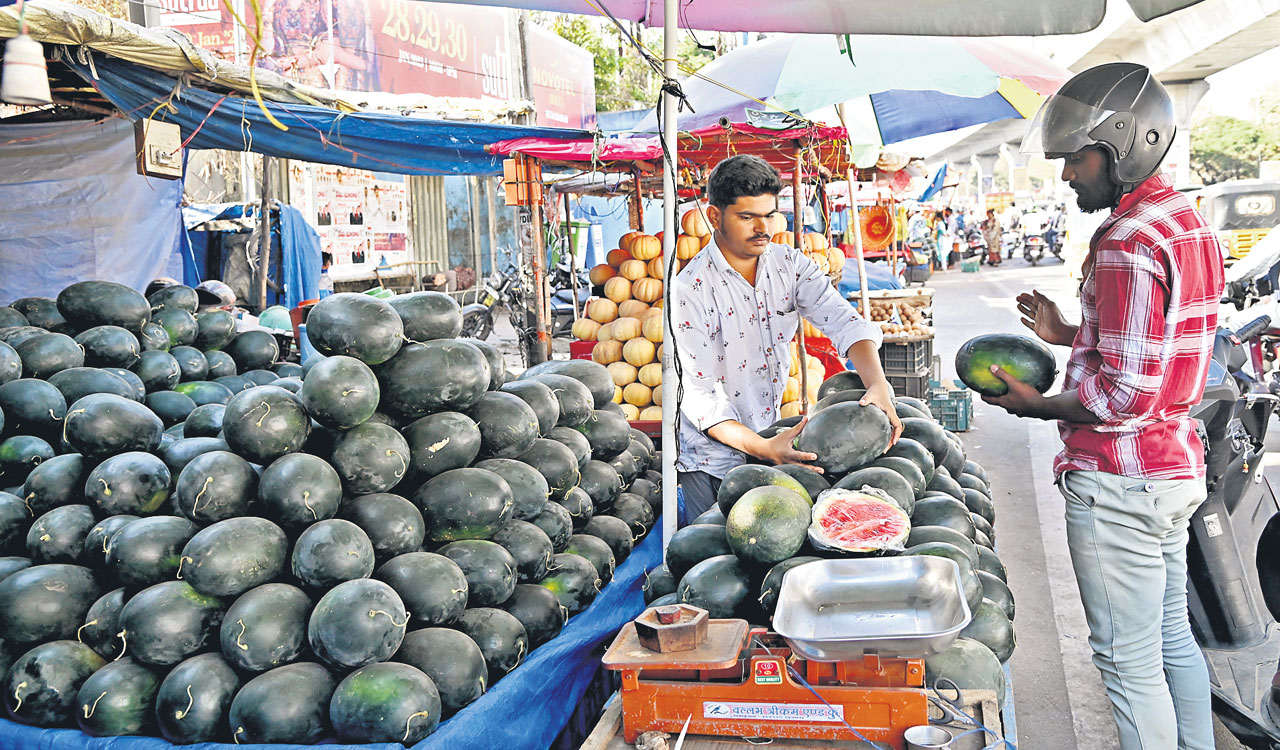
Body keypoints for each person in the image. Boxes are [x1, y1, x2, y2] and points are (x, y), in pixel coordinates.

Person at [986, 63, 1222, 750]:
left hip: (1122, 479)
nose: (1067, 176)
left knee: (1126, 660)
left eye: (1076, 159)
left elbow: (1120, 396)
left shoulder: (1125, 240)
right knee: (1172, 637)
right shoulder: (1186, 223)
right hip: (1173, 469)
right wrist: (1069, 334)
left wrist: (1035, 406)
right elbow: (1158, 347)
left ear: (1123, 146)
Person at [672, 155, 902, 521]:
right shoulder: (689, 289)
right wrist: (763, 448)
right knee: (715, 554)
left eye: (769, 214)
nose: (762, 227)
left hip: (772, 435)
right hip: (712, 459)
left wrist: (878, 384)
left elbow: (844, 321)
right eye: (747, 217)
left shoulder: (789, 265)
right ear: (715, 217)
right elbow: (699, 398)